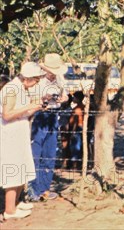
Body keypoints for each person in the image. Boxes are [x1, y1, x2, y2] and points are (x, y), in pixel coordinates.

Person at [1, 62, 46, 219]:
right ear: (27, 78)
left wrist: (36, 107)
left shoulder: (21, 89)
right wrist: (29, 105)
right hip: (10, 135)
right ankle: (9, 210)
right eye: (36, 80)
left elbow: (22, 112)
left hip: (20, 133)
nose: (37, 83)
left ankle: (16, 203)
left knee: (21, 168)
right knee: (13, 171)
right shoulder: (11, 90)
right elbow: (7, 114)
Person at [29, 53, 69, 202]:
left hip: (54, 115)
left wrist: (61, 98)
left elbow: (64, 96)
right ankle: (33, 189)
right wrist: (43, 99)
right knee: (35, 153)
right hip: (40, 115)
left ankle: (45, 188)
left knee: (50, 153)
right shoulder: (37, 81)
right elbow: (31, 98)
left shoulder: (60, 79)